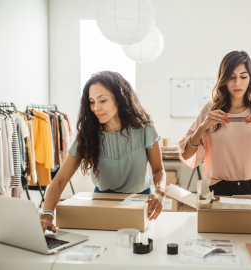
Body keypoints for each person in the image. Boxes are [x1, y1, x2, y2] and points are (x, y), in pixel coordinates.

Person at [40, 71, 166, 233]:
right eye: (91, 102)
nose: (95, 107)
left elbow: (158, 170)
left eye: (102, 100)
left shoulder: (144, 127)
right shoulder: (87, 134)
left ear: (120, 98)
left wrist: (159, 192)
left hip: (141, 199)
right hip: (102, 199)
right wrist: (47, 213)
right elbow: (58, 182)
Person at [179, 51, 251, 196]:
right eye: (231, 77)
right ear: (224, 79)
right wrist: (203, 126)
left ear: (250, 78)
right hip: (219, 190)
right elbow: (186, 155)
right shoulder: (210, 110)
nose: (237, 83)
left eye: (243, 76)